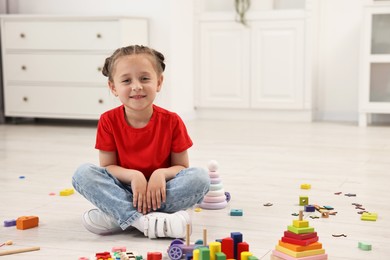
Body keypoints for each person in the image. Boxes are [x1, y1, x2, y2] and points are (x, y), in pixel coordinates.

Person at [72, 45, 210, 239]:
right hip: (123, 189)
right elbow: (108, 167)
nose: (136, 86)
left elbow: (182, 167)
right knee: (82, 174)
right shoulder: (108, 120)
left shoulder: (172, 121)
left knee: (200, 177)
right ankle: (143, 221)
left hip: (161, 191)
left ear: (159, 82)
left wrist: (160, 174)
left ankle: (118, 215)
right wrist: (135, 176)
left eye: (145, 78)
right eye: (126, 80)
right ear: (113, 87)